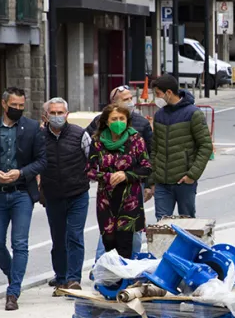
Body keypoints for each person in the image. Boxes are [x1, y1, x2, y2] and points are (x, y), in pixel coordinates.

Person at [0, 86, 47, 311]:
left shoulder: (33, 128)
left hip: (22, 194)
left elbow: (42, 160)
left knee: (20, 243)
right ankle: (13, 273)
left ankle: (13, 291)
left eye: (21, 106)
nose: (17, 109)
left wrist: (22, 173)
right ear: (4, 104)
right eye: (13, 105)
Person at [87, 85, 152, 258]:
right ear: (106, 121)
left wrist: (126, 175)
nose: (118, 123)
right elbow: (89, 170)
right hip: (106, 199)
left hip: (130, 198)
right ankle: (110, 279)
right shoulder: (98, 141)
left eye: (122, 119)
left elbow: (146, 166)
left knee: (126, 244)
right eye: (114, 119)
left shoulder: (135, 139)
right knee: (109, 242)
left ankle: (125, 280)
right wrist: (107, 177)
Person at [40, 97, 91, 294]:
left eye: (60, 113)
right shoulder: (40, 137)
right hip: (53, 196)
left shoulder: (80, 135)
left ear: (67, 114)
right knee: (58, 238)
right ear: (46, 115)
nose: (57, 116)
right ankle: (60, 277)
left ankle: (73, 279)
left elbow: (91, 159)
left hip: (77, 194)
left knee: (75, 236)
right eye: (52, 113)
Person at [148, 74, 213, 218]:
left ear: (169, 93)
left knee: (187, 224)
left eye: (158, 94)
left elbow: (205, 146)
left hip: (184, 182)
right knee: (162, 226)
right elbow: (155, 150)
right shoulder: (159, 115)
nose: (156, 98)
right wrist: (152, 180)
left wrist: (192, 175)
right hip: (162, 183)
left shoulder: (193, 114)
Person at [86, 85, 153, 148]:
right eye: (125, 99)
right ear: (114, 102)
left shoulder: (143, 122)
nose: (130, 102)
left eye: (131, 98)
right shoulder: (99, 120)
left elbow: (149, 149)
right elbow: (87, 140)